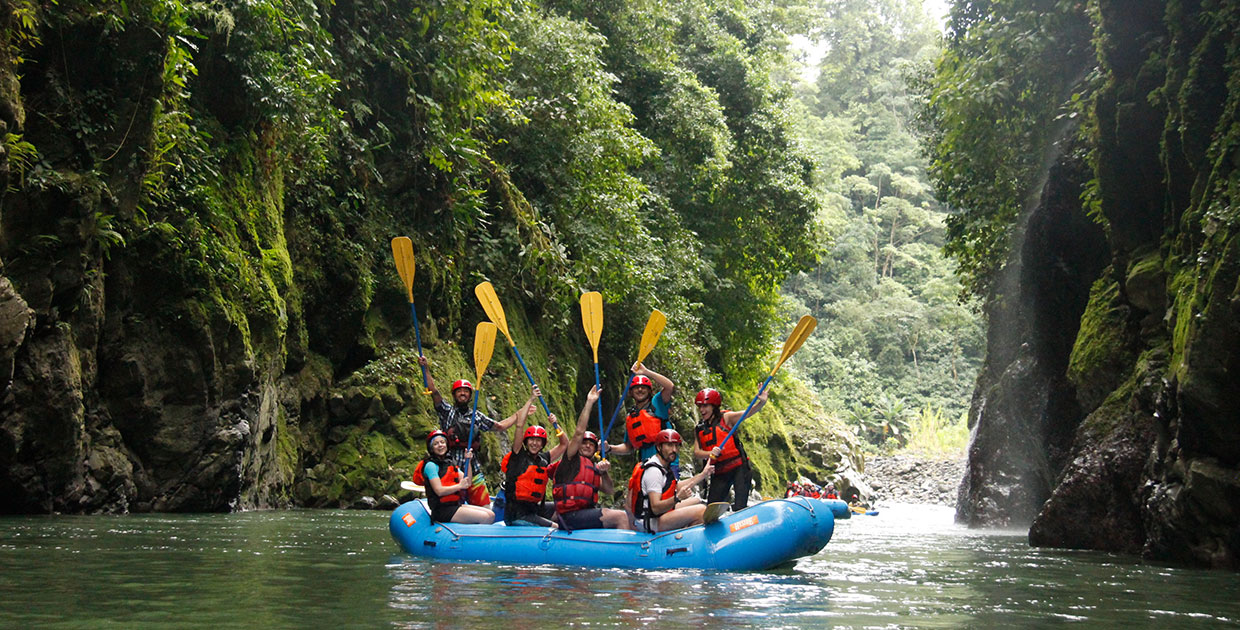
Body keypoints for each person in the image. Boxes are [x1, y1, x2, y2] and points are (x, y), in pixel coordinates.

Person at [420, 355, 536, 506]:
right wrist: (425, 368)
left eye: (466, 392)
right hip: (450, 467)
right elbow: (433, 391)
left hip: (472, 467)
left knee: (486, 507)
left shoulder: (476, 416)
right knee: (453, 504)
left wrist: (521, 411)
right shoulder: (446, 411)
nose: (463, 394)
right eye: (459, 391)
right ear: (454, 395)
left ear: (470, 396)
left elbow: (500, 426)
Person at [547, 385, 630, 531]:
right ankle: (629, 553)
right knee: (621, 517)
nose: (586, 446)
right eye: (583, 444)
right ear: (578, 446)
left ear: (595, 449)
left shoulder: (594, 468)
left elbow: (609, 490)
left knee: (620, 514)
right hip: (570, 516)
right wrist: (589, 402)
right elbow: (579, 432)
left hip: (583, 513)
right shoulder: (571, 460)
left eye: (591, 444)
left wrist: (604, 473)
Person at [692, 387, 767, 511]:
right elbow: (697, 453)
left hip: (739, 468)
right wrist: (710, 453)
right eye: (700, 406)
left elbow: (748, 412)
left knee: (740, 506)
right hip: (720, 471)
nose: (702, 410)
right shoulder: (699, 428)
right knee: (712, 508)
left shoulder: (726, 418)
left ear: (714, 406)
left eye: (705, 406)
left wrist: (762, 403)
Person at [628, 429, 714, 532]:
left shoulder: (663, 465)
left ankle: (683, 530)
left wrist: (703, 475)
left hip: (657, 515)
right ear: (659, 447)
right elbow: (655, 508)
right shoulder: (654, 472)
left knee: (696, 500)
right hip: (650, 522)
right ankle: (683, 540)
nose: (674, 450)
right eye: (669, 445)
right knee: (701, 510)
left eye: (676, 446)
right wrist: (677, 498)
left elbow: (674, 487)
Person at [503, 401, 565, 527]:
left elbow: (564, 444)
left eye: (538, 441)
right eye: (532, 439)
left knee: (563, 507)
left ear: (543, 444)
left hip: (534, 509)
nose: (534, 443)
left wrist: (556, 425)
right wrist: (531, 399)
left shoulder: (544, 459)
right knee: (556, 527)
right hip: (517, 514)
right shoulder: (518, 456)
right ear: (526, 441)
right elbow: (519, 426)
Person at [416, 430, 494, 524]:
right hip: (441, 510)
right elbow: (439, 491)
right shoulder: (431, 466)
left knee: (491, 514)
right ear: (431, 448)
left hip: (454, 505)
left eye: (442, 442)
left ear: (446, 445)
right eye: (436, 444)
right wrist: (459, 486)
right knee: (485, 517)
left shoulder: (450, 463)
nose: (440, 445)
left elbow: (467, 482)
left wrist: (468, 461)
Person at [604, 362, 675, 464]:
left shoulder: (657, 402)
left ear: (649, 391)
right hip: (646, 462)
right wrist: (609, 448)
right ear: (631, 392)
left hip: (666, 461)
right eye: (636, 387)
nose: (640, 389)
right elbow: (628, 447)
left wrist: (646, 372)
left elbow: (669, 386)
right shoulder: (631, 417)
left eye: (644, 387)